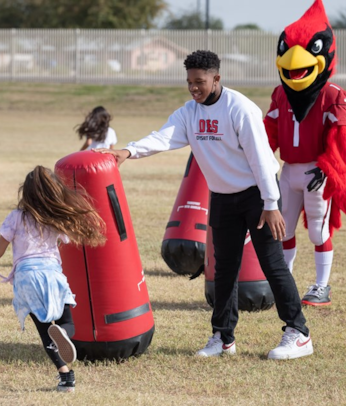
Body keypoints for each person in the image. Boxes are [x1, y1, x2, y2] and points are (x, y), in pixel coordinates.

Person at [97, 50, 313, 360]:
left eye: (200, 82)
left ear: (216, 79)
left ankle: (298, 333)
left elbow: (262, 160)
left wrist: (270, 203)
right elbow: (163, 137)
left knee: (272, 264)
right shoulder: (189, 113)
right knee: (223, 269)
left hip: (257, 196)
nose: (194, 88)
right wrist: (127, 152)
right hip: (223, 198)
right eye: (189, 82)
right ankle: (223, 338)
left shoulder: (240, 109)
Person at [264, 0, 346, 306]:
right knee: (283, 228)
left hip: (316, 171)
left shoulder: (334, 96)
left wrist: (328, 168)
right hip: (288, 170)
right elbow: (268, 133)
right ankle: (284, 281)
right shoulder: (280, 94)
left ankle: (321, 285)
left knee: (317, 231)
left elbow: (341, 140)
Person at [0, 165, 106, 392]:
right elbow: (65, 240)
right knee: (66, 323)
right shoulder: (54, 218)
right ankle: (63, 335)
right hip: (52, 276)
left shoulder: (15, 217)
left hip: (26, 279)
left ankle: (66, 377)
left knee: (44, 330)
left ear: (26, 192)